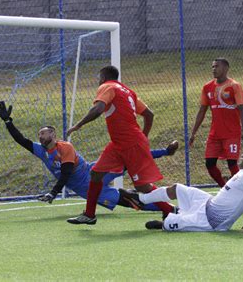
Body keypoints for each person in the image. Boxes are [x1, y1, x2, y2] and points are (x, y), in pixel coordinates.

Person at [0, 101, 179, 212]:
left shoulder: (65, 147)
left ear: (53, 135)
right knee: (131, 201)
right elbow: (21, 140)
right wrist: (8, 121)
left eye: (44, 133)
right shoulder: (42, 151)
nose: (40, 136)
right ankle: (171, 209)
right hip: (86, 188)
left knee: (128, 159)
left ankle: (165, 152)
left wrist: (53, 193)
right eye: (39, 134)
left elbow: (65, 173)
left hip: (94, 171)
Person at [66, 65, 176, 225]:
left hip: (130, 142)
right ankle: (89, 215)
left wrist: (78, 125)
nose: (98, 82)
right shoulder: (127, 91)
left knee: (143, 187)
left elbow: (98, 109)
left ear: (103, 78)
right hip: (118, 143)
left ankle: (169, 210)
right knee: (96, 173)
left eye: (99, 79)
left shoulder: (107, 86)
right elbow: (149, 114)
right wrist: (143, 136)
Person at [121, 148, 243, 233]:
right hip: (207, 202)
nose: (242, 157)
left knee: (169, 223)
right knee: (177, 188)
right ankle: (141, 199)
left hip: (210, 221)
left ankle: (166, 222)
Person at [189, 58, 243, 187]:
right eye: (212, 66)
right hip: (214, 134)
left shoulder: (234, 86)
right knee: (209, 164)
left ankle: (242, 188)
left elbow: (242, 109)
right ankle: (224, 188)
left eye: (217, 66)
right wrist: (193, 133)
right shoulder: (207, 87)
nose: (214, 69)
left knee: (232, 164)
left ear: (226, 68)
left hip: (232, 133)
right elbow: (202, 111)